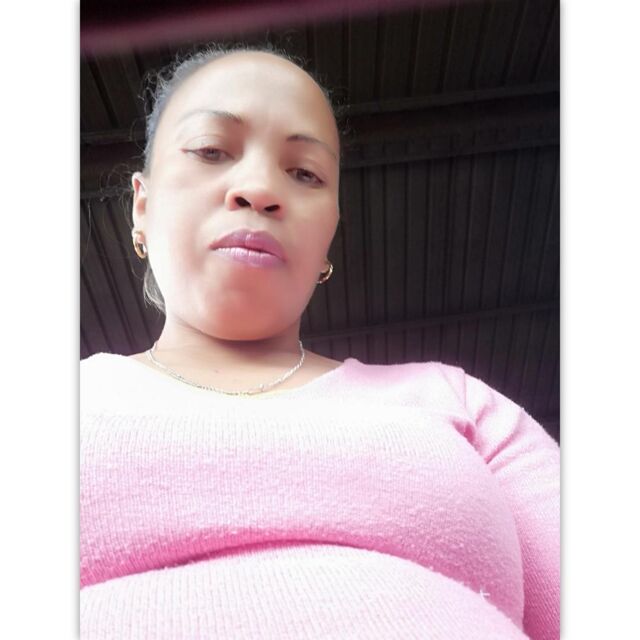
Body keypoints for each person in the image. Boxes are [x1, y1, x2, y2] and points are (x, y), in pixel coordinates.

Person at [80, 44, 560, 640]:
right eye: (210, 150)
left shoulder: (460, 405)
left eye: (305, 172)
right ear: (142, 205)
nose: (259, 188)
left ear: (328, 232)